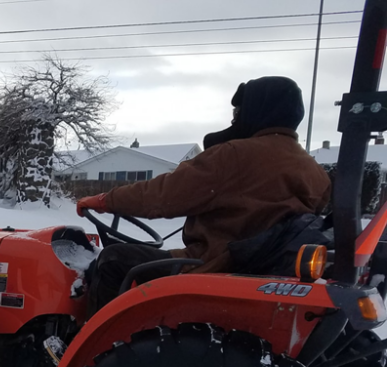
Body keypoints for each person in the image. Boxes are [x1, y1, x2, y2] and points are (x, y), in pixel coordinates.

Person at [77, 76, 332, 316]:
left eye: (239, 111)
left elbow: (164, 194)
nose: (235, 118)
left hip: (213, 264)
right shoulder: (314, 171)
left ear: (258, 110)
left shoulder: (234, 155)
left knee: (113, 259)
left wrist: (106, 200)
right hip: (255, 266)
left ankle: (92, 350)